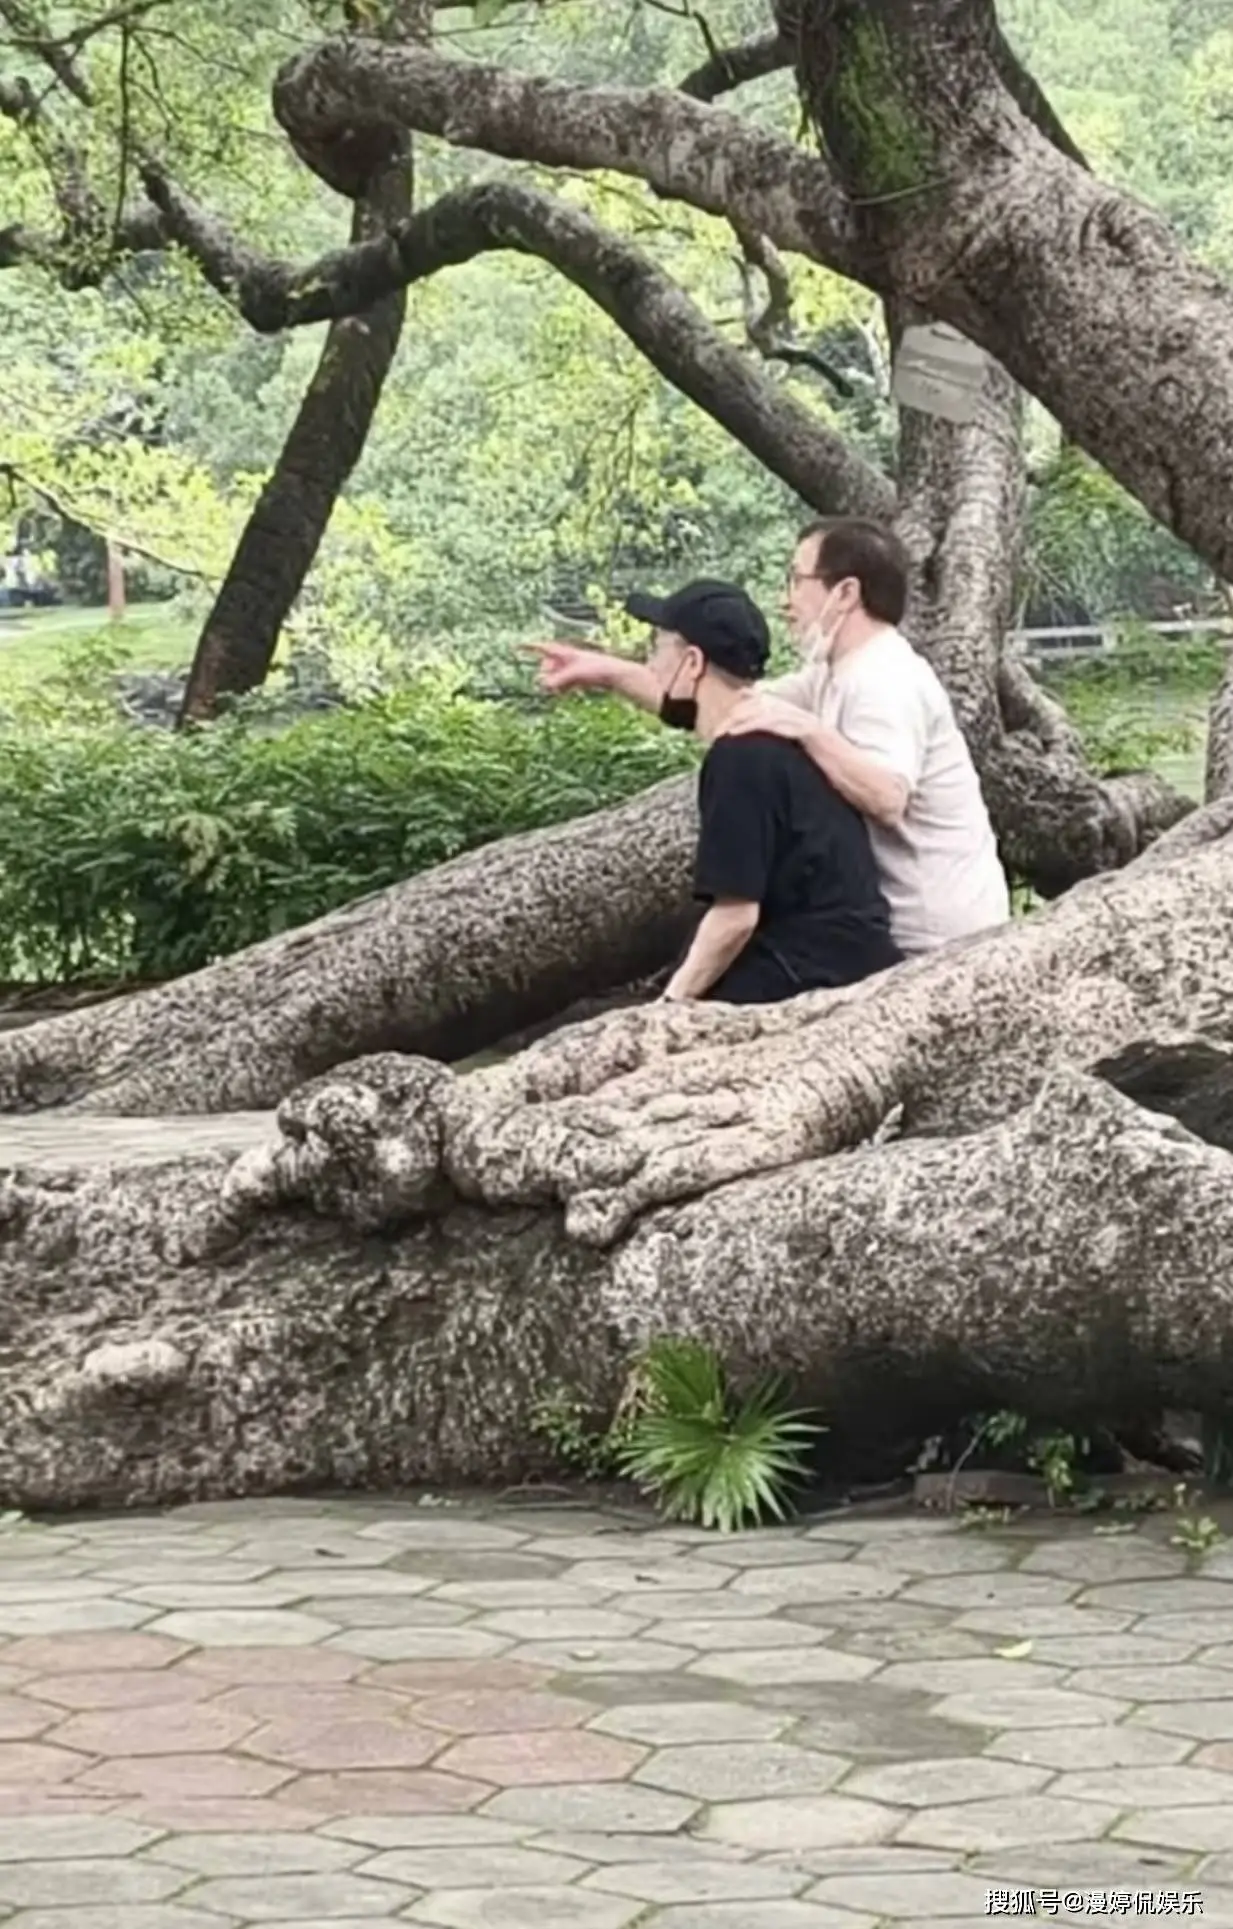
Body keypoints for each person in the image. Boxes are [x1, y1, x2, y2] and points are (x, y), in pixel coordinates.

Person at [532, 519, 1010, 957]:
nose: (786, 601)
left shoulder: (885, 677)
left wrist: (807, 729)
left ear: (845, 593)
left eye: (796, 579)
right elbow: (718, 702)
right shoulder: (830, 673)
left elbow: (887, 796)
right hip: (894, 930)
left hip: (938, 938)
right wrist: (604, 671)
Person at [619, 577, 901, 1003]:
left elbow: (736, 917)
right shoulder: (770, 739)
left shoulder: (740, 758)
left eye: (657, 648)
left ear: (692, 662)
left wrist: (667, 1007)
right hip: (833, 956)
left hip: (816, 971)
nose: (651, 665)